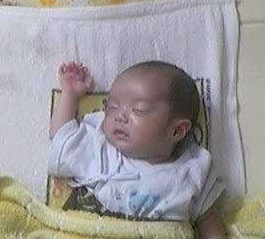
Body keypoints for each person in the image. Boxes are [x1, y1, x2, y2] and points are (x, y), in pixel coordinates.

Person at [49, 61, 225, 239]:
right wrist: (70, 95)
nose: (120, 116)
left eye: (138, 110)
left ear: (177, 131)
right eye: (112, 107)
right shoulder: (100, 151)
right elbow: (62, 137)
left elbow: (209, 218)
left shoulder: (193, 171)